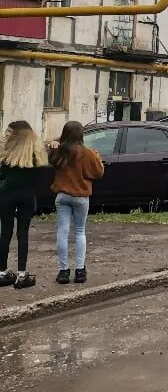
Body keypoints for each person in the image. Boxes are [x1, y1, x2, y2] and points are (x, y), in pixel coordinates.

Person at [49, 121, 105, 285]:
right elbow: (98, 173)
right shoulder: (88, 153)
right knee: (80, 232)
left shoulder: (60, 151)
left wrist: (53, 144)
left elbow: (50, 161)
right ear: (81, 135)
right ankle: (80, 271)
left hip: (62, 196)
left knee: (62, 232)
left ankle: (63, 272)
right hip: (81, 197)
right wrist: (97, 158)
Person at [0, 121, 48, 290]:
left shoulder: (7, 154)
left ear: (16, 135)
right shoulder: (36, 155)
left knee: (5, 232)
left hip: (6, 195)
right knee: (23, 233)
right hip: (27, 196)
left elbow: (1, 175)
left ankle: (2, 272)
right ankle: (22, 275)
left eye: (9, 131)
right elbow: (42, 178)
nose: (6, 133)